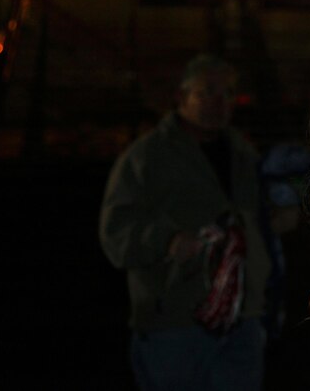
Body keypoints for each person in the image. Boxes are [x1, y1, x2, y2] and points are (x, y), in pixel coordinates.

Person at [99, 54, 271, 391]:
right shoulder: (146, 157)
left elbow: (260, 219)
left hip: (242, 317)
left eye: (226, 94)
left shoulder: (244, 155)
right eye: (206, 92)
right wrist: (167, 241)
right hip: (176, 319)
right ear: (181, 97)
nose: (218, 103)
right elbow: (115, 232)